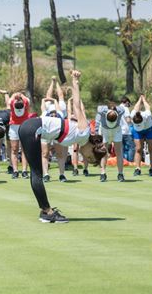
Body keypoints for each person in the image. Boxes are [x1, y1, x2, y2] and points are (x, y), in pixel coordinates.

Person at [19, 70, 108, 223]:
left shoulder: (79, 140)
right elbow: (77, 106)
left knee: (36, 173)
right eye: (88, 156)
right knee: (37, 173)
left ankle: (45, 211)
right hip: (32, 128)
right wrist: (75, 81)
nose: (84, 156)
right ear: (93, 147)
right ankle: (47, 212)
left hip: (31, 128)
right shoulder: (84, 132)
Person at [95, 100, 126, 182]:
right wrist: (96, 130)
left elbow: (123, 109)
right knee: (103, 152)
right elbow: (99, 108)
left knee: (118, 152)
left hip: (116, 130)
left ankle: (120, 174)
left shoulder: (120, 111)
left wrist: (114, 108)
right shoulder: (102, 111)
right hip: (105, 131)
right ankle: (103, 173)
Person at [40, 96, 68, 182]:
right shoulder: (45, 114)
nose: (53, 114)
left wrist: (54, 100)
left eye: (54, 112)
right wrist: (43, 100)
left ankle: (62, 175)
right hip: (46, 135)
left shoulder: (60, 114)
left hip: (57, 135)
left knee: (59, 154)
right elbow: (43, 107)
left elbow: (58, 108)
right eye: (51, 112)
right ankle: (46, 174)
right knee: (45, 154)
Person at [131, 95, 152, 176]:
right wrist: (139, 99)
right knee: (138, 149)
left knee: (151, 149)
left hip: (149, 130)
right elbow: (136, 107)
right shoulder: (133, 115)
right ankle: (137, 168)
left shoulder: (146, 115)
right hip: (138, 132)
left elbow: (147, 107)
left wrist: (144, 100)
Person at [8, 92, 31, 179]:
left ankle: (24, 170)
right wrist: (20, 95)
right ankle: (15, 171)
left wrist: (16, 95)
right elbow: (9, 101)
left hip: (24, 126)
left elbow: (26, 100)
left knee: (24, 149)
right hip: (14, 127)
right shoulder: (14, 103)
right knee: (14, 149)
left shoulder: (24, 102)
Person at [120, 96, 135, 162]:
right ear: (127, 102)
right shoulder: (125, 108)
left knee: (121, 148)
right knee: (131, 147)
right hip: (126, 131)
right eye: (129, 104)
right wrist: (134, 122)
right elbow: (128, 120)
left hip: (118, 132)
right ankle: (130, 162)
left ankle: (123, 162)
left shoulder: (117, 108)